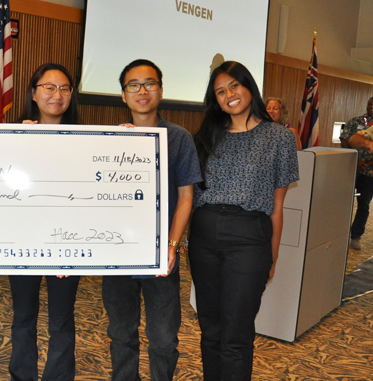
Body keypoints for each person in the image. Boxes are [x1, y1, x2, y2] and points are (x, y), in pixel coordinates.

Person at [190, 61, 299, 381]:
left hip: (250, 236)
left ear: (249, 87)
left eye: (234, 86)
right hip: (204, 233)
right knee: (210, 328)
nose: (229, 95)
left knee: (236, 332)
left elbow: (278, 205)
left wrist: (273, 255)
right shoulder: (207, 136)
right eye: (220, 91)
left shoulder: (279, 137)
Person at [101, 59, 202, 381]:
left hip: (160, 254)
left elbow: (187, 196)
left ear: (160, 89)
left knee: (163, 338)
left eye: (149, 83)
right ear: (122, 94)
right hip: (117, 254)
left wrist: (172, 244)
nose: (142, 91)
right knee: (121, 333)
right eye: (133, 85)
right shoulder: (108, 138)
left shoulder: (179, 138)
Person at [8, 63, 82, 381]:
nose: (57, 94)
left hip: (67, 243)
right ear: (34, 93)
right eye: (49, 87)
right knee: (24, 315)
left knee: (62, 319)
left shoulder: (88, 141)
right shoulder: (13, 136)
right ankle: (21, 376)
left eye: (64, 88)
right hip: (22, 242)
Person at [340, 96, 373, 250]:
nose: (371, 107)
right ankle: (339, 232)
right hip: (350, 168)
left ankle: (356, 235)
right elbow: (345, 140)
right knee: (343, 202)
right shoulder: (356, 121)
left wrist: (367, 163)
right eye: (369, 104)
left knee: (364, 205)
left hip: (369, 173)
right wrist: (355, 160)